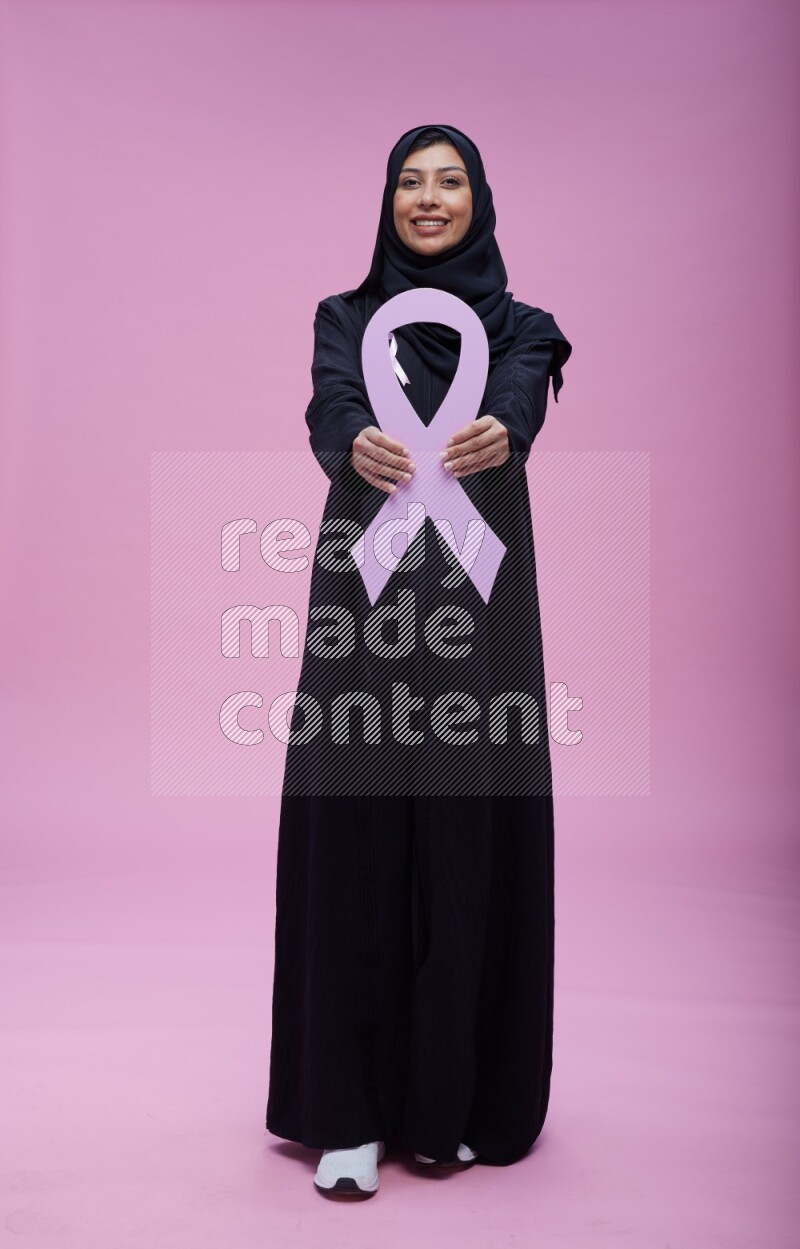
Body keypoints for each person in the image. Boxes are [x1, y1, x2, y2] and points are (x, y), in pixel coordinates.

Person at [265, 123, 573, 1198]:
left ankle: (450, 1101)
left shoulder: (523, 329)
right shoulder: (344, 318)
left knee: (463, 827)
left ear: (479, 201)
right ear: (386, 200)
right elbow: (328, 403)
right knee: (356, 833)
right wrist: (351, 437)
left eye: (449, 183)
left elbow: (521, 398)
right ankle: (345, 1111)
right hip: (366, 606)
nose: (428, 199)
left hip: (476, 616)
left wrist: (504, 425)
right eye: (410, 182)